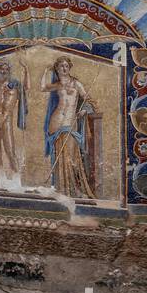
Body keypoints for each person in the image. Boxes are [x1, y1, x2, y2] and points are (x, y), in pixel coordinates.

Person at [38, 56, 98, 198]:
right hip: (56, 122)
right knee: (58, 158)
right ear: (57, 69)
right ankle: (61, 189)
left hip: (70, 123)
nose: (64, 69)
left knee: (71, 157)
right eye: (60, 66)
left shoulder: (76, 84)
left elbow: (88, 100)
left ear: (69, 67)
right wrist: (46, 71)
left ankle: (74, 189)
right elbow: (42, 87)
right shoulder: (57, 85)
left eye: (66, 66)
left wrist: (85, 109)